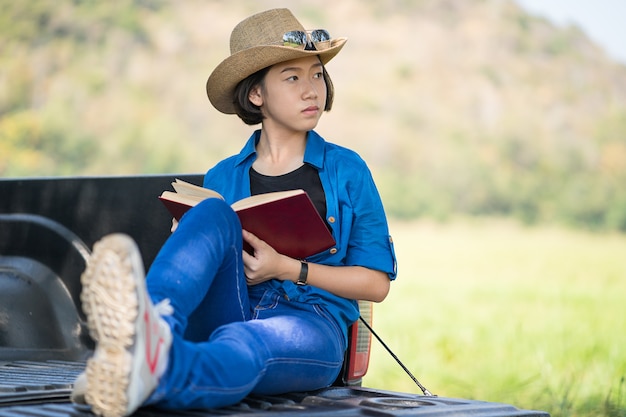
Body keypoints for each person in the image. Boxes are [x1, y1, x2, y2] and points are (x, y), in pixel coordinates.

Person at [71, 8, 397, 417]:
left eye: (316, 74)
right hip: (232, 304)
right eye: (292, 77)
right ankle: (149, 333)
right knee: (210, 213)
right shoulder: (222, 175)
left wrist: (287, 268)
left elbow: (375, 284)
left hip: (311, 323)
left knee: (242, 344)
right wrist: (192, 238)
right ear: (256, 94)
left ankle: (148, 369)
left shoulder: (347, 170)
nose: (311, 90)